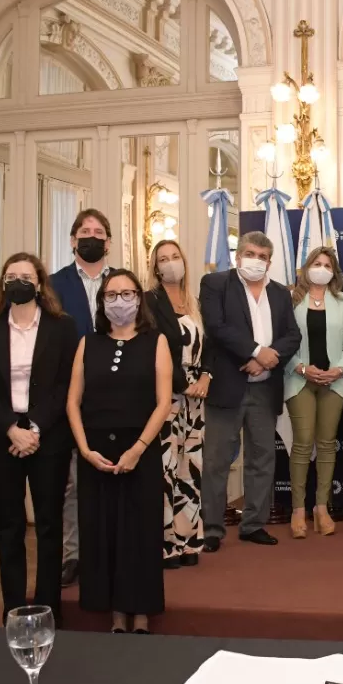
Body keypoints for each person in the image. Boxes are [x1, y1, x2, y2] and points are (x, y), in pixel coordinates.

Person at [0, 253, 79, 623]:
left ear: (40, 283)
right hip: (0, 437)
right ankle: (14, 608)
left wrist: (35, 428)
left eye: (25, 275)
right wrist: (11, 428)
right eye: (11, 275)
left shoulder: (62, 327)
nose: (18, 281)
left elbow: (66, 384)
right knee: (9, 525)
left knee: (49, 524)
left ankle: (49, 609)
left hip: (49, 438)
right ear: (3, 283)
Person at [67, 270, 171, 633]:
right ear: (102, 303)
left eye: (127, 294)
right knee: (103, 533)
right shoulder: (87, 343)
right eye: (111, 295)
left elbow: (162, 403)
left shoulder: (155, 341)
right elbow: (72, 403)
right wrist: (84, 449)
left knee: (139, 534)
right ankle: (113, 612)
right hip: (96, 454)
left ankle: (140, 611)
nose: (119, 301)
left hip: (140, 451)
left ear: (139, 300)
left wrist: (138, 449)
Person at [199, 232, 302, 550]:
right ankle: (213, 529)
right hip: (227, 386)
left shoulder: (281, 294)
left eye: (261, 256)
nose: (255, 260)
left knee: (262, 458)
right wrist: (257, 352)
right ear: (237, 255)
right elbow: (217, 327)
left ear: (270, 262)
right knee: (216, 460)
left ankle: (253, 524)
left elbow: (292, 335)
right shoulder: (215, 284)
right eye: (249, 253)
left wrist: (267, 361)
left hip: (264, 388)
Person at [46, 208, 113, 588]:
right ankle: (73, 556)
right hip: (67, 398)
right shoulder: (52, 286)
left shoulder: (122, 282)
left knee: (112, 479)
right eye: (84, 231)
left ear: (107, 241)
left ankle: (108, 554)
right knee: (71, 484)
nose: (91, 236)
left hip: (113, 398)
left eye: (98, 231)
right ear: (72, 240)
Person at [145, 240, 209, 568]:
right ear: (155, 267)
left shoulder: (193, 301)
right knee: (165, 470)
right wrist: (183, 385)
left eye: (175, 257)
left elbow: (208, 345)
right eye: (164, 259)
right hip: (165, 397)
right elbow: (155, 349)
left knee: (190, 469)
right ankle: (166, 544)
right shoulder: (150, 302)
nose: (171, 263)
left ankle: (188, 541)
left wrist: (206, 378)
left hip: (196, 400)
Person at [284, 247, 343, 539]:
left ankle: (321, 508)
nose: (321, 268)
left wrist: (339, 369)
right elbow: (282, 341)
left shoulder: (342, 300)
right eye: (317, 263)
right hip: (299, 380)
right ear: (306, 267)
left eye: (327, 264)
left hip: (333, 381)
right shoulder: (290, 299)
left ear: (333, 271)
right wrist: (301, 368)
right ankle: (298, 509)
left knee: (326, 443)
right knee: (302, 442)